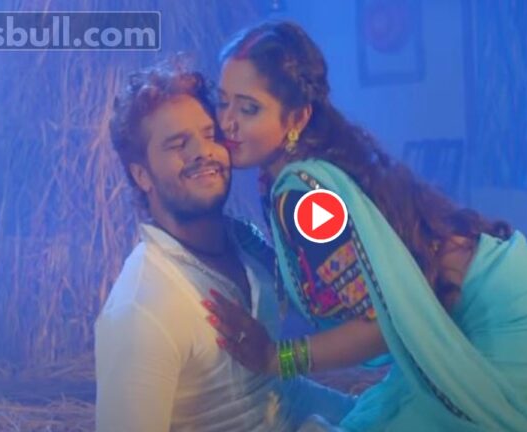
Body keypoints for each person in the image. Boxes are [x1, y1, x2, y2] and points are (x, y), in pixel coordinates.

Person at [204, 21, 527, 431]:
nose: (226, 123)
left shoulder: (303, 196)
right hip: (525, 299)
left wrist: (276, 358)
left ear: (298, 116)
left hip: (523, 327)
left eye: (248, 109)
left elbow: (379, 326)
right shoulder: (311, 170)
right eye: (222, 102)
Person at [95, 61, 354, 432]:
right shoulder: (141, 308)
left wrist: (367, 416)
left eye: (210, 135)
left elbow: (279, 393)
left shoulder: (247, 245)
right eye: (178, 144)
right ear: (141, 175)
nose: (203, 152)